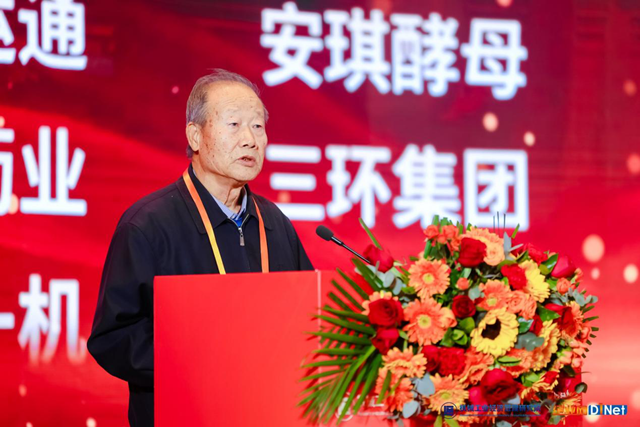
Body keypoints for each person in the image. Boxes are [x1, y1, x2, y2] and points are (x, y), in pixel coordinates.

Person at [87, 69, 313, 427]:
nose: (250, 140)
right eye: (234, 124)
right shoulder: (148, 225)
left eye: (257, 126)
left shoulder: (274, 223)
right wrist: (202, 365)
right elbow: (113, 338)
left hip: (268, 414)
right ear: (195, 135)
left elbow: (309, 321)